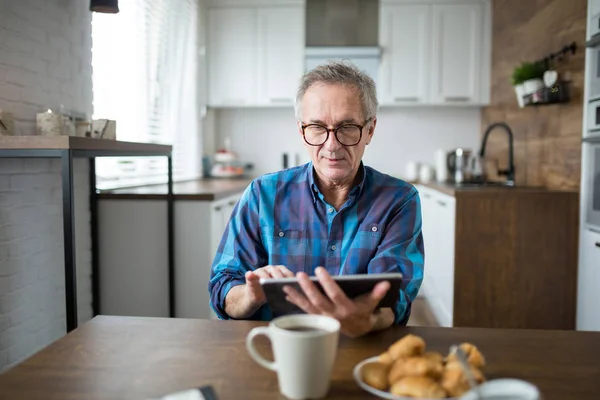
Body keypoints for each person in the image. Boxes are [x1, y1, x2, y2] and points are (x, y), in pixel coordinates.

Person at [208, 61, 424, 338]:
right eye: (317, 127)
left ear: (370, 130)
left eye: (347, 127)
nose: (331, 145)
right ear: (301, 130)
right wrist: (250, 295)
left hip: (362, 345)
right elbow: (223, 288)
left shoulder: (399, 200)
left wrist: (366, 320)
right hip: (274, 346)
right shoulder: (262, 194)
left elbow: (395, 299)